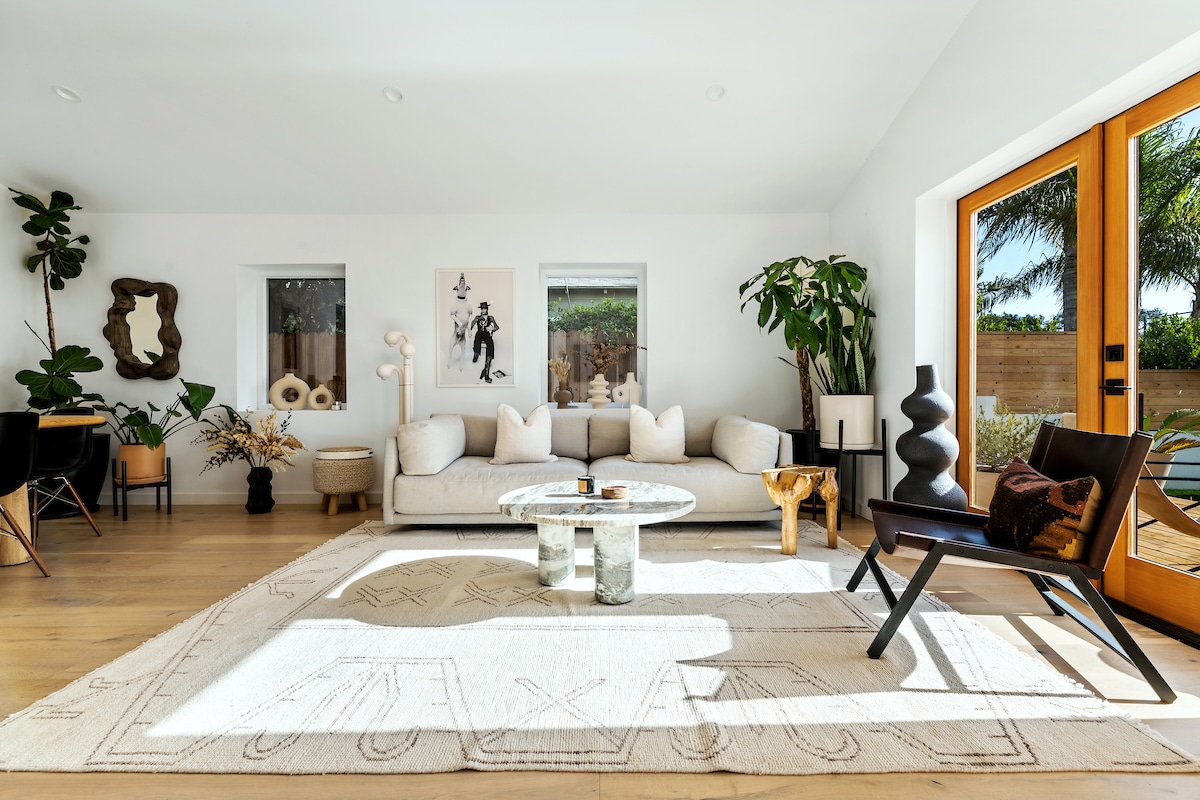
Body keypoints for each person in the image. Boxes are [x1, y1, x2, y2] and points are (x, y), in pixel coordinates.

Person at [469, 300, 500, 383]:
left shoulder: (490, 317)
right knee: (477, 341)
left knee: (490, 344)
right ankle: (476, 354)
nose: (483, 310)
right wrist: (469, 330)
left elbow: (497, 327)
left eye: (484, 309)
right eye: (482, 309)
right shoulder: (477, 317)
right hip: (479, 333)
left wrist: (491, 328)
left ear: (487, 309)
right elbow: (471, 325)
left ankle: (486, 370)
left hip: (486, 333)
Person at [446, 273, 472, 371]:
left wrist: (469, 329)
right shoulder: (455, 305)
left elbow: (471, 314)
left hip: (463, 334)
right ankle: (449, 360)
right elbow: (451, 314)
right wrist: (459, 323)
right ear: (456, 289)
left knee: (463, 349)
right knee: (451, 346)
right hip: (456, 334)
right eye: (460, 284)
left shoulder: (468, 305)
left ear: (467, 289)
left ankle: (461, 363)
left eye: (464, 285)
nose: (462, 285)